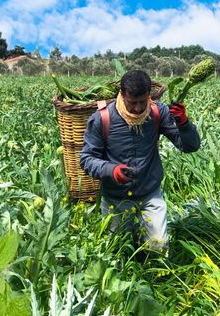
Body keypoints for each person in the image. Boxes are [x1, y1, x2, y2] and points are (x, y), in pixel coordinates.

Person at [79, 70, 200, 255]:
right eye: (132, 103)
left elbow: (189, 146)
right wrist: (111, 170)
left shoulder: (157, 113)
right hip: (116, 198)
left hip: (149, 193)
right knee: (117, 252)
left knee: (158, 248)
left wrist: (184, 124)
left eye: (142, 102)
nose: (137, 108)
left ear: (149, 96)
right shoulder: (102, 118)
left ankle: (154, 278)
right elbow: (86, 159)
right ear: (122, 94)